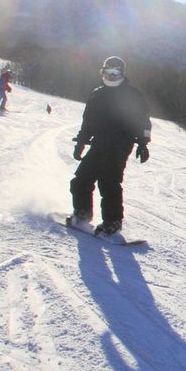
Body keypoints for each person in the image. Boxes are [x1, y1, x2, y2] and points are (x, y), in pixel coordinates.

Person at [69, 56, 152, 236]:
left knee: (109, 181)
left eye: (116, 73)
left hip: (121, 144)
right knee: (81, 179)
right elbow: (88, 121)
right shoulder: (97, 94)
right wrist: (82, 141)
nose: (112, 76)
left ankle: (112, 221)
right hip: (99, 143)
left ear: (123, 74)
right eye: (108, 72)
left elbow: (143, 120)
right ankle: (82, 213)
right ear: (103, 72)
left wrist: (143, 143)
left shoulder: (132, 95)